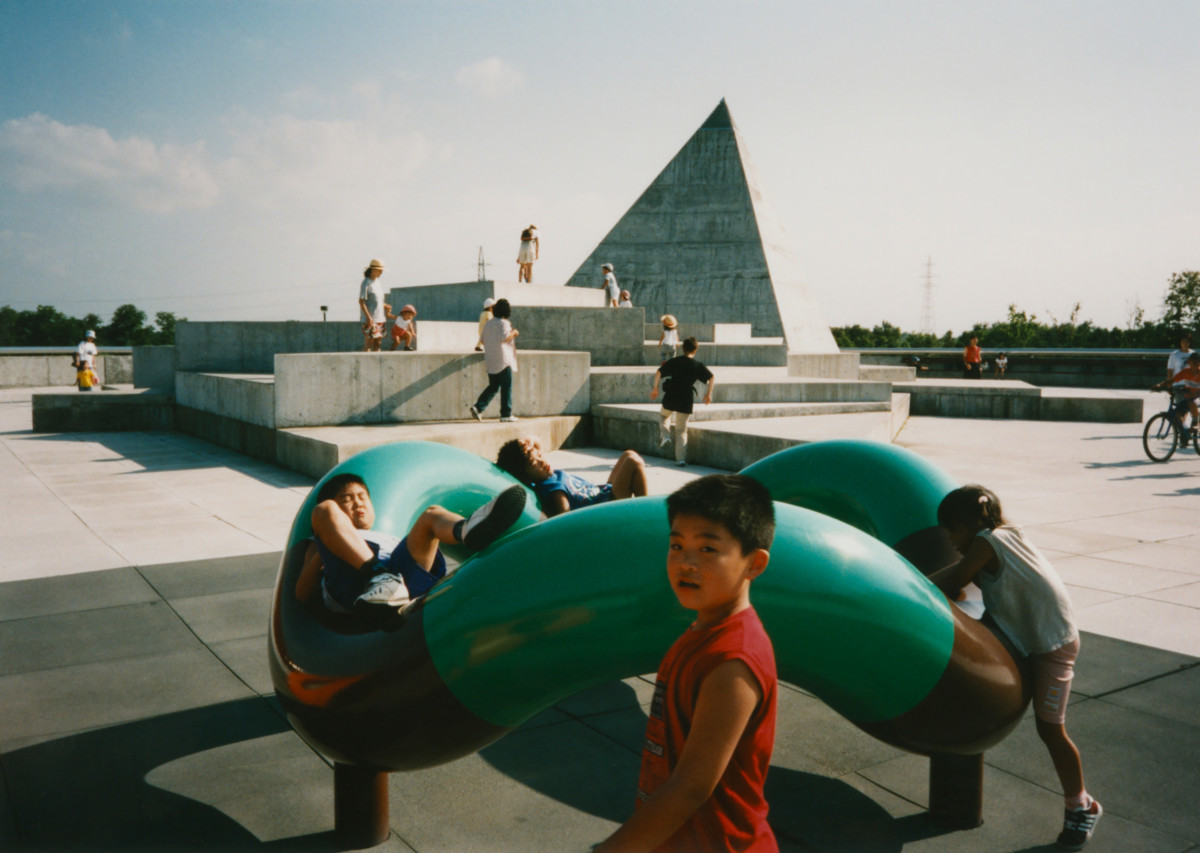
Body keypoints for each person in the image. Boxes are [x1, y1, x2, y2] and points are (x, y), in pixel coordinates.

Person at [596, 474, 777, 853]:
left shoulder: (734, 659)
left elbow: (691, 786)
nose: (686, 562)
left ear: (754, 564)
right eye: (676, 545)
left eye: (707, 549)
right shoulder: (704, 630)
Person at [927, 485, 1101, 851]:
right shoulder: (1001, 537)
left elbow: (957, 576)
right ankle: (1080, 804)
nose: (952, 540)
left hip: (1052, 647)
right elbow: (963, 579)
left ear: (971, 523)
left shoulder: (989, 541)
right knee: (1045, 726)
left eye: (952, 530)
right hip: (1030, 639)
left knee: (1050, 729)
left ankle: (1081, 805)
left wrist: (914, 585)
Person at [295, 473, 527, 627]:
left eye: (363, 497)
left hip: (401, 575)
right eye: (347, 499)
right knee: (323, 510)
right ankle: (378, 576)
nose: (358, 503)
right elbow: (302, 594)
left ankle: (466, 530)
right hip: (356, 583)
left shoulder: (387, 536)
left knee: (430, 514)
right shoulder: (326, 538)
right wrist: (321, 554)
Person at [496, 436, 647, 518]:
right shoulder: (554, 490)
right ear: (525, 477)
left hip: (603, 492)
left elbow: (536, 441)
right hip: (606, 507)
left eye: (540, 456)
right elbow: (566, 519)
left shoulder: (547, 475)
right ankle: (646, 515)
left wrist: (525, 442)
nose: (543, 462)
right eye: (535, 464)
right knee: (633, 462)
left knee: (629, 454)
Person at [651, 336, 714, 467]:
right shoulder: (697, 365)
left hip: (671, 395)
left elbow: (658, 372)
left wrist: (655, 388)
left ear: (683, 348)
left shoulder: (675, 361)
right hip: (686, 399)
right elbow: (711, 377)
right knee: (681, 430)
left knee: (663, 415)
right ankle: (680, 459)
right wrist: (708, 395)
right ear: (695, 350)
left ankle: (666, 434)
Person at [470, 298, 520, 423]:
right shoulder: (504, 323)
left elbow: (482, 340)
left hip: (491, 360)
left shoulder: (489, 323)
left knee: (493, 387)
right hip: (504, 360)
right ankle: (506, 414)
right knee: (506, 388)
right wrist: (514, 332)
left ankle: (478, 407)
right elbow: (505, 337)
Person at [1152, 351, 1200, 433]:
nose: (1195, 364)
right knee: (1176, 413)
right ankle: (1183, 432)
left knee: (1193, 403)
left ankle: (1196, 423)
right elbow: (1172, 380)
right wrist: (1160, 385)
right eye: (1193, 362)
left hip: (1197, 398)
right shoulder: (1185, 372)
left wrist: (1196, 393)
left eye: (1197, 362)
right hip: (1187, 398)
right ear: (1189, 362)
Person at [359, 259, 389, 352]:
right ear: (373, 270)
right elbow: (361, 301)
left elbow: (376, 300)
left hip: (380, 318)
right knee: (369, 344)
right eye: (379, 270)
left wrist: (385, 306)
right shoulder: (366, 282)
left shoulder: (377, 282)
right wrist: (369, 318)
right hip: (371, 319)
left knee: (377, 344)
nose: (381, 272)